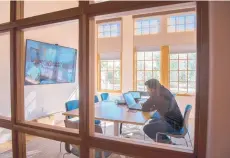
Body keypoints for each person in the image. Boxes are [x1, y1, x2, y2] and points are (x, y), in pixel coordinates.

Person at [142, 79, 183, 144]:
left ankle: (167, 145)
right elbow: (158, 105)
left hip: (173, 125)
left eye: (148, 89)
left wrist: (151, 97)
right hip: (176, 121)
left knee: (147, 128)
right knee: (152, 122)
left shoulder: (157, 95)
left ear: (152, 89)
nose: (147, 91)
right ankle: (167, 142)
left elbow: (144, 108)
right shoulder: (164, 91)